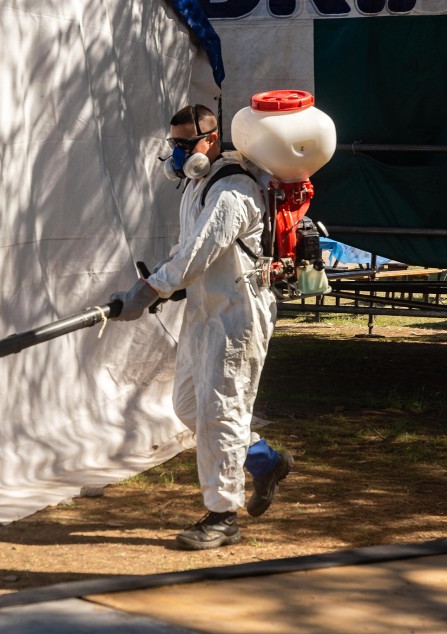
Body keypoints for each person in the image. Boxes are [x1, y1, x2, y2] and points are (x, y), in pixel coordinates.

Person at [111, 103, 293, 550]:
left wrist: (152, 290)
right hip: (204, 310)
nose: (176, 153)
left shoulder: (232, 188)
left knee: (221, 412)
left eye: (183, 144)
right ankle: (265, 460)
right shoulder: (198, 185)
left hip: (236, 315)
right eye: (172, 144)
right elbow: (185, 248)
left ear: (210, 140)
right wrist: (160, 283)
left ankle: (221, 516)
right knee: (189, 405)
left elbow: (200, 253)